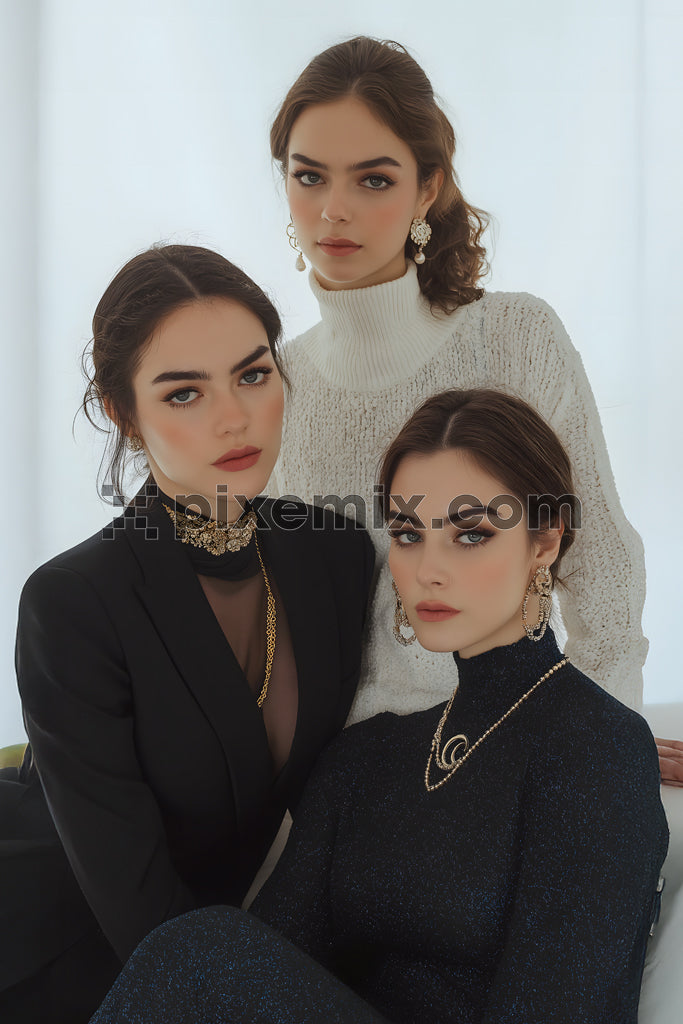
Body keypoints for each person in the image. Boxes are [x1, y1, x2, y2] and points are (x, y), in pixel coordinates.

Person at [89, 389, 668, 1024]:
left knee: (197, 948)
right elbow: (254, 972)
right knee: (201, 948)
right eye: (409, 534)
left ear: (546, 541)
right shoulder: (366, 760)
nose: (428, 570)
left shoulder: (596, 748)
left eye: (470, 534)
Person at [0, 244, 374, 1023]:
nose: (233, 417)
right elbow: (143, 915)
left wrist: (556, 727)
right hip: (66, 946)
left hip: (230, 940)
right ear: (121, 411)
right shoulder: (72, 603)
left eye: (252, 373)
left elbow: (393, 723)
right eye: (182, 394)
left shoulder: (334, 553)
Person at [269, 35, 651, 724]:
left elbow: (600, 561)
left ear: (428, 189)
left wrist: (600, 741)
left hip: (513, 734)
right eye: (309, 175)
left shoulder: (513, 338)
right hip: (346, 767)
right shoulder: (277, 383)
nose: (333, 209)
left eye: (373, 179)